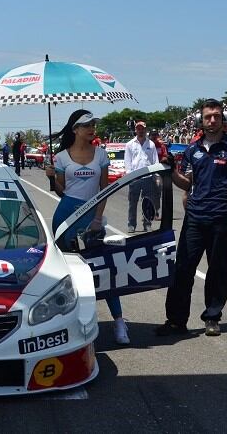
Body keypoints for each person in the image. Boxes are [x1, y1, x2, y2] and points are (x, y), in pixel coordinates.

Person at [156, 99, 227, 337]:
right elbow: (186, 183)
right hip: (195, 219)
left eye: (216, 116)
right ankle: (176, 320)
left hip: (222, 219)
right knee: (182, 270)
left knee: (218, 271)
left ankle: (212, 317)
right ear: (200, 120)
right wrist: (171, 170)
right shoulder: (192, 149)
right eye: (208, 116)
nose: (212, 120)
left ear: (223, 119)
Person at [45, 109, 130, 345]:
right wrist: (52, 177)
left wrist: (96, 219)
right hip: (65, 217)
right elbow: (61, 191)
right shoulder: (61, 157)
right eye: (86, 125)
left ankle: (120, 323)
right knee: (67, 274)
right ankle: (69, 323)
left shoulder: (101, 154)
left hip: (92, 217)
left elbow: (105, 190)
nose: (92, 128)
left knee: (104, 270)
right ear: (75, 130)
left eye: (93, 124)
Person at [124, 121, 159, 233]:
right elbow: (127, 162)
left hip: (148, 177)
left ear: (145, 129)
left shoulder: (151, 144)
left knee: (148, 202)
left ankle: (147, 223)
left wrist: (156, 176)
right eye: (138, 129)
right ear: (135, 130)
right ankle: (131, 224)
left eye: (142, 128)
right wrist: (130, 176)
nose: (140, 130)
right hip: (135, 177)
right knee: (132, 203)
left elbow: (155, 161)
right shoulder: (129, 144)